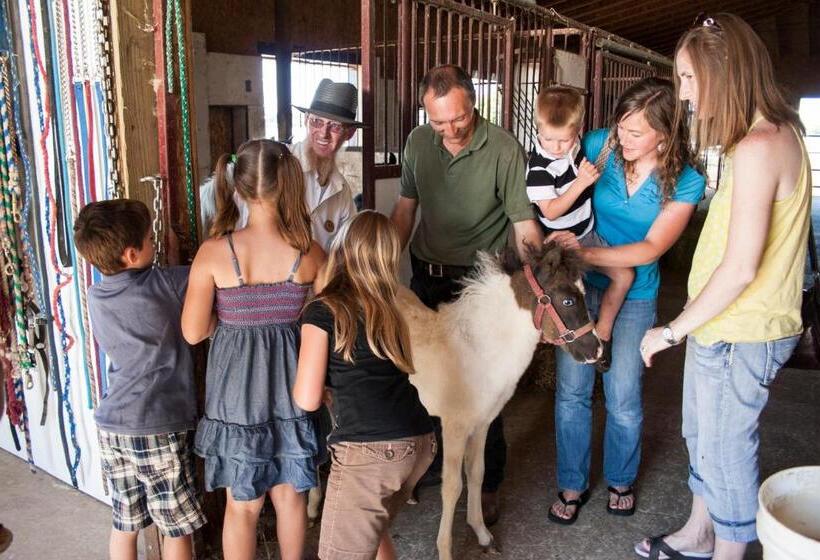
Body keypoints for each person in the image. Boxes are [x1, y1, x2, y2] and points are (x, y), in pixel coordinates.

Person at [636, 14, 810, 560]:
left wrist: (670, 330)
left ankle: (726, 554)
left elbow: (740, 268)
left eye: (689, 78)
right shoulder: (765, 136)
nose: (683, 95)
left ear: (723, 72)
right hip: (722, 323)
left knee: (727, 450)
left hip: (741, 328)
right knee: (703, 438)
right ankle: (698, 530)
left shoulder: (761, 145)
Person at [547, 77, 706, 525]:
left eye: (637, 133)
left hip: (636, 292)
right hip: (579, 288)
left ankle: (620, 477)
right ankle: (572, 482)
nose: (624, 138)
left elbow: (652, 248)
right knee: (573, 390)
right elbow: (550, 162)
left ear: (666, 134)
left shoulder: (686, 182)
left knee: (622, 393)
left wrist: (582, 252)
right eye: (622, 127)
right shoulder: (600, 145)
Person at [390, 64, 543, 524]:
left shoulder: (503, 149)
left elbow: (522, 224)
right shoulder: (419, 143)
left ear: (473, 102)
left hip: (478, 284)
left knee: (483, 386)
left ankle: (488, 481)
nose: (450, 130)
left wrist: (539, 282)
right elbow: (404, 211)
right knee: (425, 380)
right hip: (428, 276)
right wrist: (378, 268)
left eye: (457, 118)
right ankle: (433, 466)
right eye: (438, 121)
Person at [182, 140, 325, 560]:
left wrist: (228, 321)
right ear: (290, 186)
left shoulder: (214, 254)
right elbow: (324, 327)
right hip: (293, 394)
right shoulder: (311, 254)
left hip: (235, 401)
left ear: (238, 188)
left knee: (242, 508)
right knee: (291, 498)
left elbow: (192, 333)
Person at [294, 211, 435, 560]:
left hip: (371, 452)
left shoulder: (323, 311)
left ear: (340, 249)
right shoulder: (390, 309)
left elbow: (307, 398)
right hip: (418, 442)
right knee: (374, 532)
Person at [74, 199, 206, 560]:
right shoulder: (167, 283)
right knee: (175, 526)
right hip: (158, 425)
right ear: (132, 254)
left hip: (113, 426)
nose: (156, 243)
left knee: (124, 523)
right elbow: (202, 276)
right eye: (151, 239)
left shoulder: (96, 294)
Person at [526, 85, 634, 371]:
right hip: (562, 244)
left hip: (588, 234)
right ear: (538, 130)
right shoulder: (538, 169)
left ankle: (604, 332)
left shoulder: (575, 149)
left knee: (624, 276)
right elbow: (550, 210)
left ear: (578, 130)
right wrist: (581, 184)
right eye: (548, 138)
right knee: (565, 294)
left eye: (564, 139)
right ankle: (562, 335)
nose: (556, 147)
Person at [199, 79, 360, 252]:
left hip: (315, 275)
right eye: (317, 122)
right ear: (306, 120)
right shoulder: (271, 162)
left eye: (335, 126)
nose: (324, 133)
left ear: (349, 133)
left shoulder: (341, 191)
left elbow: (345, 249)